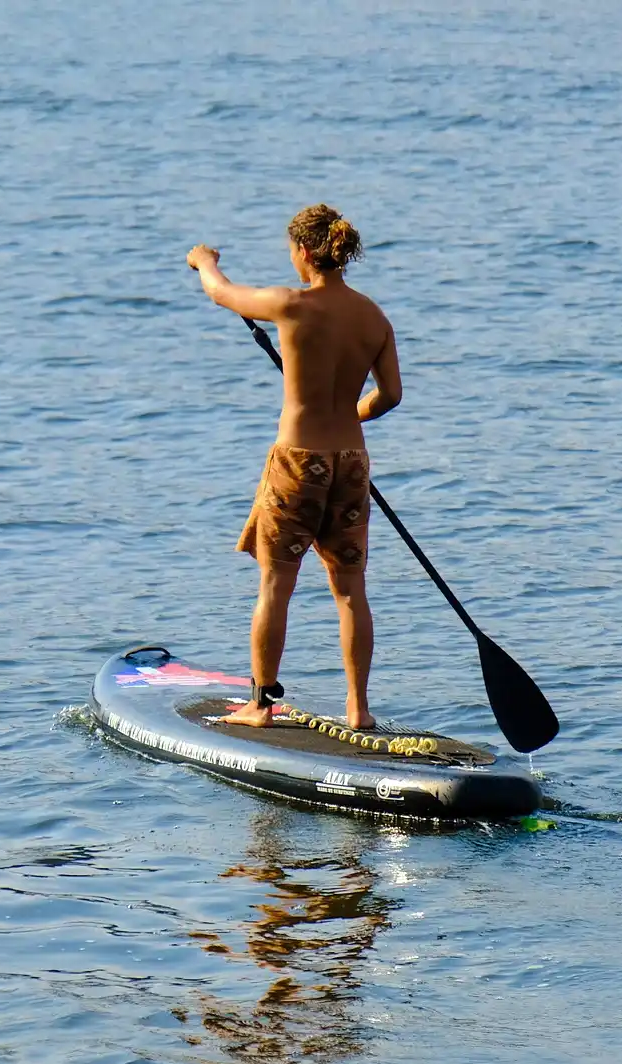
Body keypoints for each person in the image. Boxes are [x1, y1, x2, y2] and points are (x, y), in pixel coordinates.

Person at [186, 204, 401, 729]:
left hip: (298, 463)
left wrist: (204, 261)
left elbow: (221, 293)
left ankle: (260, 705)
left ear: (304, 252)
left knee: (276, 584)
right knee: (350, 589)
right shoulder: (374, 317)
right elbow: (390, 395)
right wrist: (348, 417)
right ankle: (359, 709)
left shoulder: (291, 304)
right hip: (350, 463)